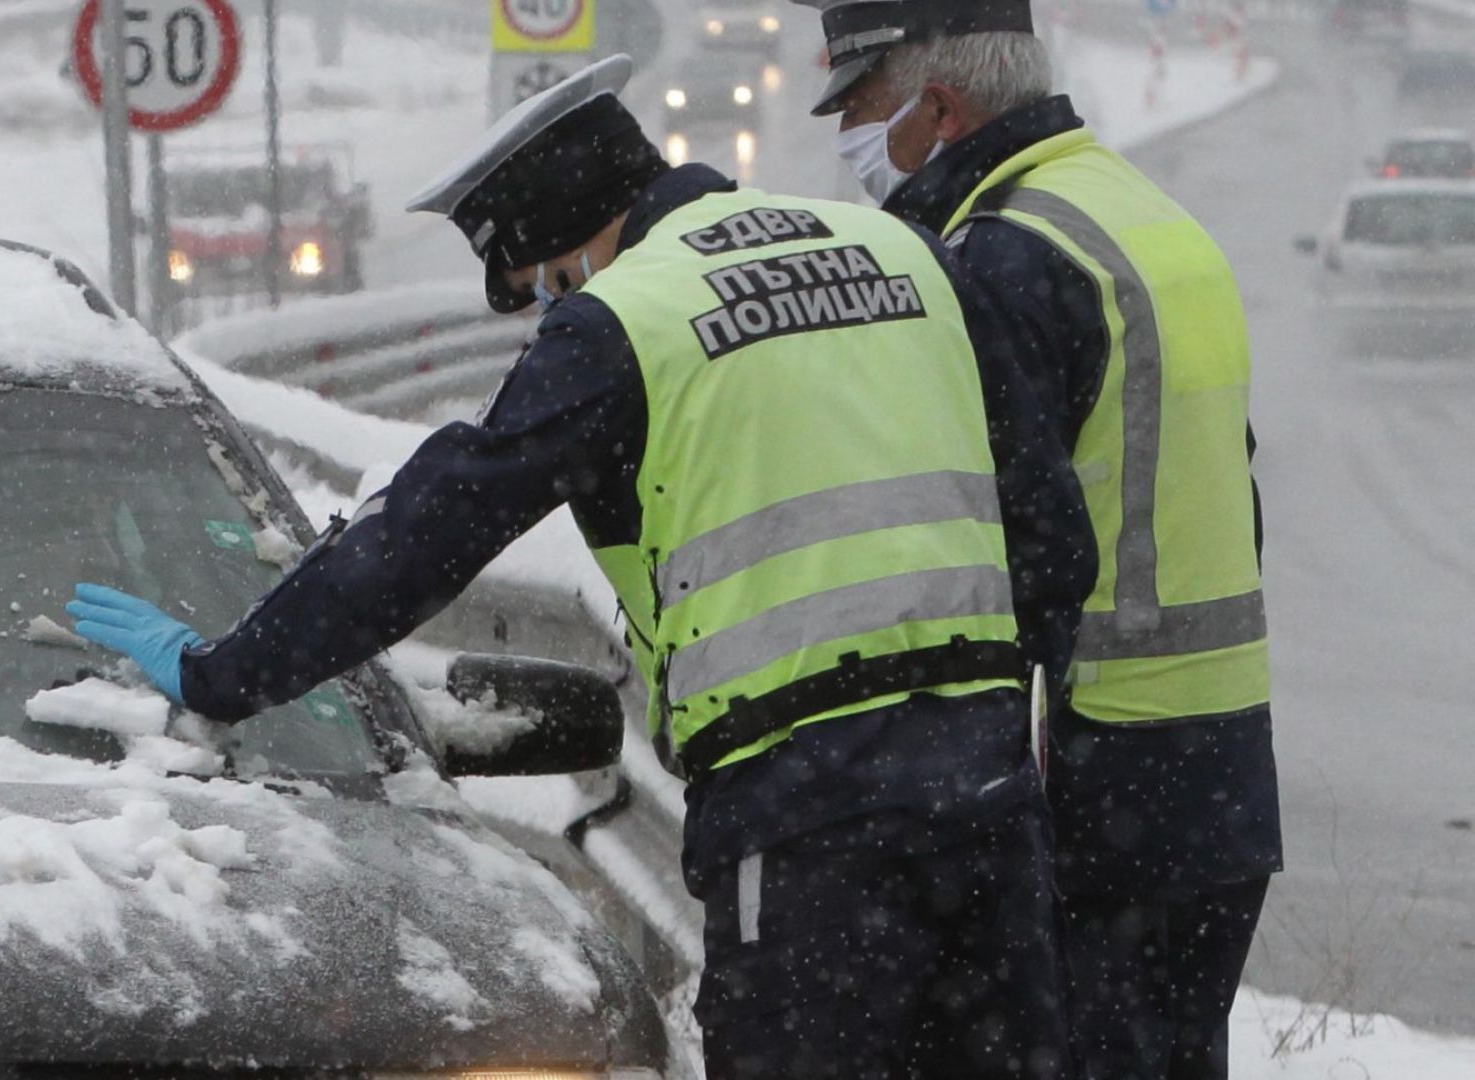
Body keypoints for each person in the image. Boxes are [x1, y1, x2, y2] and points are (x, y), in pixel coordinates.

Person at [70, 55, 1095, 1079]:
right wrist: (983, 725)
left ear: (563, 260)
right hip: (985, 796)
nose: (550, 314)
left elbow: (426, 534)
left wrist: (225, 674)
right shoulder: (907, 250)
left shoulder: (626, 320)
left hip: (803, 821)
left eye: (538, 292)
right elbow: (1054, 534)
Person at [791, 2, 1285, 1077]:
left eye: (862, 106)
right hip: (1216, 769)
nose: (848, 139)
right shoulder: (1139, 210)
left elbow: (1009, 550)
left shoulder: (1007, 258)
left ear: (940, 105)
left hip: (1095, 771)